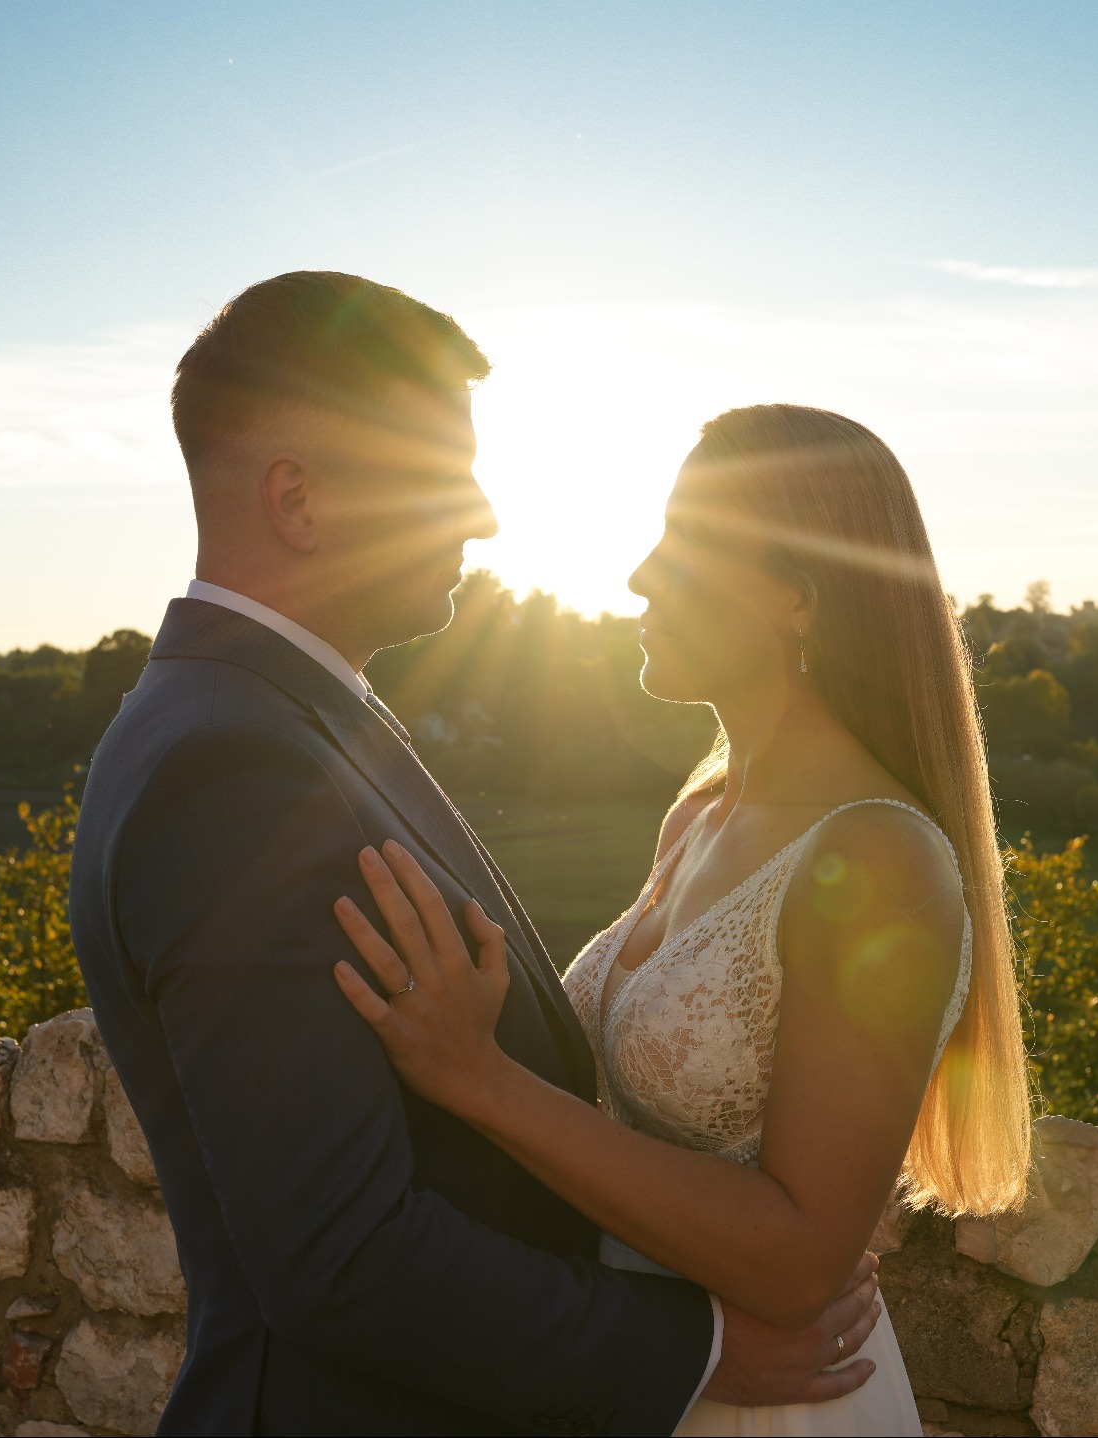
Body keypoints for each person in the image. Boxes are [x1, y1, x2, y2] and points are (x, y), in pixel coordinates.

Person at [68, 274, 883, 1435]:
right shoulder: (235, 774)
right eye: (439, 475)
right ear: (297, 500)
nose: (485, 516)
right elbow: (341, 1254)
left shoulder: (279, 716)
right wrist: (698, 1349)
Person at [330, 404, 1035, 1435]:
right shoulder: (697, 814)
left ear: (801, 595)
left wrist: (480, 1079)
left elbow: (800, 1261)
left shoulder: (877, 858)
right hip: (646, 1370)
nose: (639, 578)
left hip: (774, 1406)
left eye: (685, 543)